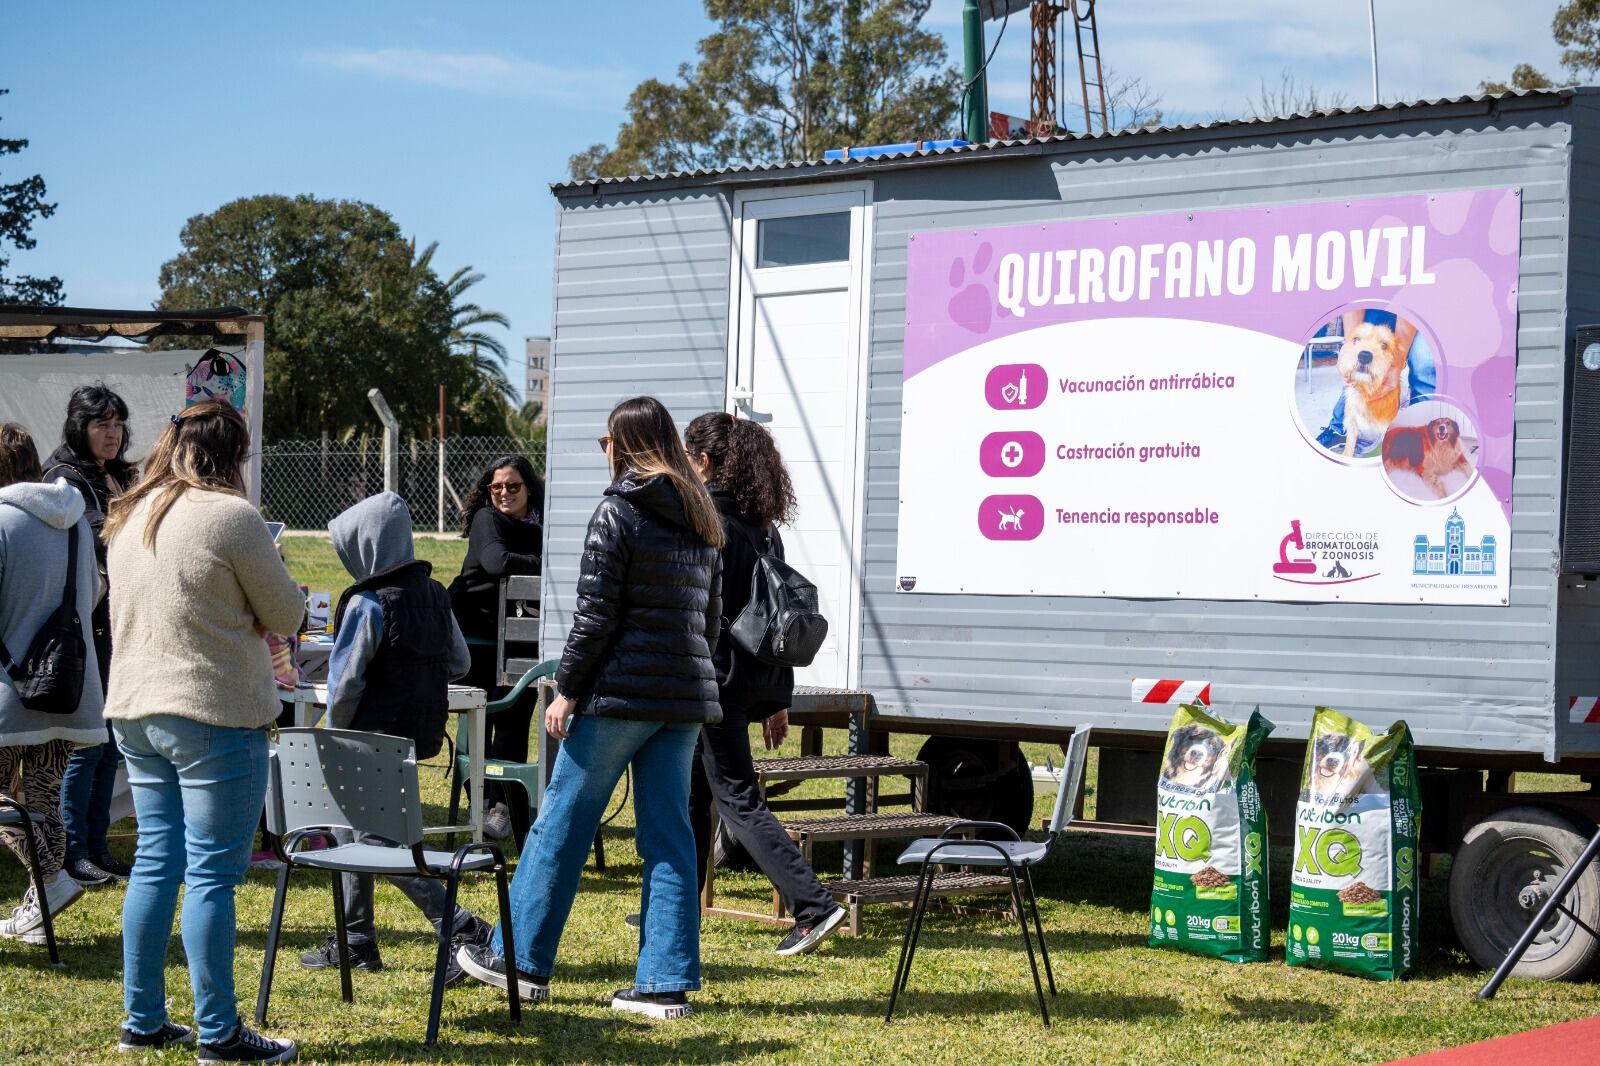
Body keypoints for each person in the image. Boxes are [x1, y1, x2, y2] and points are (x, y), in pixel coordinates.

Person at [458, 396, 724, 1020]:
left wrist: (569, 689)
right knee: (668, 835)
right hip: (682, 699)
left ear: (624, 443)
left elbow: (595, 616)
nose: (602, 450)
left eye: (606, 439)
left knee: (561, 823)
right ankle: (664, 985)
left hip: (620, 695)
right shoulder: (701, 514)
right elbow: (708, 623)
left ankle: (519, 961)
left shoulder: (617, 510)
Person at [103, 400, 304, 1062]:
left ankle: (143, 1020)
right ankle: (218, 1032)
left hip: (135, 707)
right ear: (234, 454)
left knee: (156, 863)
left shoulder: (131, 514)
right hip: (211, 711)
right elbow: (286, 611)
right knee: (214, 875)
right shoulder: (232, 516)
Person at [295, 490, 492, 984]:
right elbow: (461, 663)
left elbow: (345, 685)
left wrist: (333, 733)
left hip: (364, 737)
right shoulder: (435, 594)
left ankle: (462, 925)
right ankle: (356, 940)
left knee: (376, 845)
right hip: (414, 734)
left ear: (366, 545)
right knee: (349, 833)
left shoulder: (366, 603)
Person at [681, 412, 848, 955]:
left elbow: (703, 614)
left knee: (735, 797)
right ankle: (677, 910)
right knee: (695, 795)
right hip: (754, 678)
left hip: (717, 682)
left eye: (687, 456)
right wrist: (778, 700)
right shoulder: (762, 527)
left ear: (704, 462)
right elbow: (777, 616)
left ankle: (814, 905)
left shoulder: (706, 522)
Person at [0, 424, 105, 944]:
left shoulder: (0, 521)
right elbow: (95, 589)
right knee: (42, 796)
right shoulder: (76, 522)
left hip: (9, 690)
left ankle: (52, 880)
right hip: (68, 685)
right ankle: (40, 910)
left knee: (5, 801)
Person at [46, 383, 138, 887]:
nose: (112, 434)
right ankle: (72, 850)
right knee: (85, 744)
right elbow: (81, 554)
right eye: (102, 424)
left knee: (108, 744)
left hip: (120, 625)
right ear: (80, 427)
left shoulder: (119, 474)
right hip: (84, 626)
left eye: (118, 424)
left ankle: (98, 846)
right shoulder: (65, 478)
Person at [447, 455, 544, 844]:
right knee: (476, 728)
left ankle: (503, 810)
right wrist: (545, 561)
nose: (504, 493)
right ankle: (483, 809)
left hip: (520, 640)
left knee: (514, 723)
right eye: (497, 486)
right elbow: (495, 561)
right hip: (475, 639)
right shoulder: (488, 520)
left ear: (529, 489)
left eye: (513, 486)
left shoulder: (540, 523)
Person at [1313, 309, 1437, 452]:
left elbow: (1413, 302)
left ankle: (1421, 436)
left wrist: (1397, 362)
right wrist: (1349, 344)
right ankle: (1339, 428)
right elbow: (1353, 301)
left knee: (1425, 360)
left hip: (1422, 307)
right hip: (1379, 301)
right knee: (1355, 370)